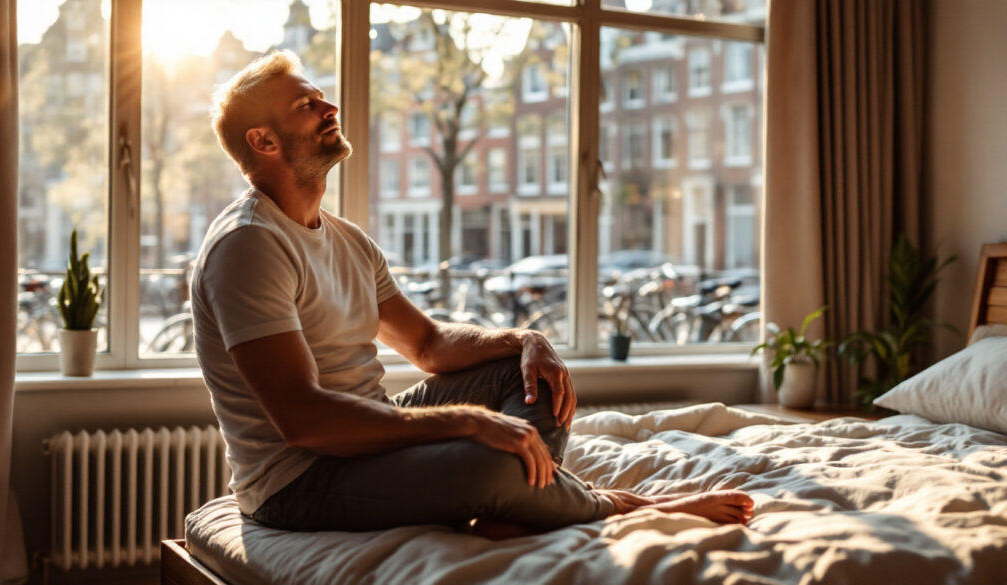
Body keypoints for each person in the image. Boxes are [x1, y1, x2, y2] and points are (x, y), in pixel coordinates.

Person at [191, 50, 754, 537]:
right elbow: (305, 420)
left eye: (321, 98)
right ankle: (624, 506)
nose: (330, 108)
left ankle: (523, 502)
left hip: (369, 428)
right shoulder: (249, 245)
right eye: (306, 106)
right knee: (487, 465)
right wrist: (467, 421)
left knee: (528, 373)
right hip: (299, 481)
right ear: (262, 140)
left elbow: (430, 345)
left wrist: (523, 338)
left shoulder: (347, 240)